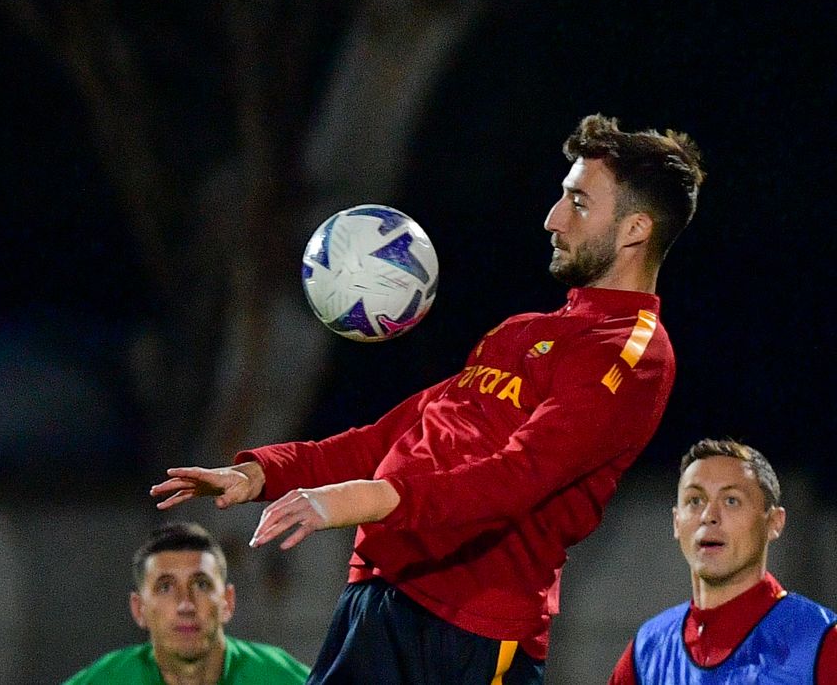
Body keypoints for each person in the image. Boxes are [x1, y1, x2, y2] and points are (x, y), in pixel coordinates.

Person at [150, 113, 705, 684]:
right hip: (377, 596)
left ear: (636, 229)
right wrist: (263, 473)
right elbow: (394, 435)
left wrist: (356, 500)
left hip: (469, 632)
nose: (553, 219)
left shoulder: (630, 353)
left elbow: (518, 478)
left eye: (580, 203)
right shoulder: (520, 330)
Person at [608, 439, 837, 684]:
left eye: (731, 500)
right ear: (676, 522)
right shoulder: (647, 651)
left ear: (774, 523)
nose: (709, 516)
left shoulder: (823, 642)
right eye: (695, 500)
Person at [62, 521, 310, 685]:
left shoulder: (281, 678)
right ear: (140, 610)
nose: (186, 604)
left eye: (201, 584)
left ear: (227, 602)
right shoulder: (107, 680)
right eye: (165, 587)